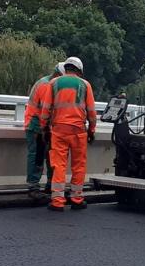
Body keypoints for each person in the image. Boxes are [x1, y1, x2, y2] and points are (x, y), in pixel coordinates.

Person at [39, 56, 96, 212]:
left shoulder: (53, 83)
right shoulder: (85, 85)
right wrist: (91, 130)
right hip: (78, 131)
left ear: (66, 68)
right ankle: (76, 199)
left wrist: (44, 128)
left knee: (58, 165)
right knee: (79, 165)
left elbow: (45, 110)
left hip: (58, 131)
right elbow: (91, 112)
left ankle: (57, 201)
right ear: (79, 70)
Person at [25, 62, 63, 194]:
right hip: (37, 126)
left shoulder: (46, 82)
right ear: (58, 75)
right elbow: (46, 110)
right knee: (38, 156)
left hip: (42, 125)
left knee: (49, 155)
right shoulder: (47, 86)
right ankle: (34, 186)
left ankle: (49, 184)